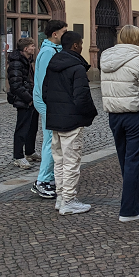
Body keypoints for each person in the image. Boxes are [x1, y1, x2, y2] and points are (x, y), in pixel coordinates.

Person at [101, 24, 139, 222]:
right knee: (135, 160)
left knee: (126, 159)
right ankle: (129, 210)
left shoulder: (106, 58)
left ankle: (137, 199)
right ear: (134, 39)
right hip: (136, 114)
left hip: (115, 115)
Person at [42, 31, 98, 215]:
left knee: (59, 161)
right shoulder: (77, 67)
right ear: (75, 45)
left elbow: (45, 92)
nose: (82, 47)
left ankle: (61, 197)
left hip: (55, 118)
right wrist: (89, 114)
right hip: (72, 120)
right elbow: (82, 97)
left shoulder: (53, 63)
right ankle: (69, 200)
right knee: (71, 161)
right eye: (81, 44)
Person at [31, 19, 68, 199]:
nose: (66, 35)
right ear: (55, 34)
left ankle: (49, 177)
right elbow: (45, 81)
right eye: (64, 32)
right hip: (46, 102)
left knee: (52, 140)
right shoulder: (48, 52)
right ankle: (43, 180)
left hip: (50, 101)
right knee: (50, 142)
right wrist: (50, 103)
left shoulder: (54, 50)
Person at [7, 37, 40, 169]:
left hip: (31, 99)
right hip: (24, 100)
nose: (34, 48)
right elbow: (16, 85)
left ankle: (30, 152)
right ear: (26, 49)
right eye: (32, 46)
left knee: (32, 127)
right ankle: (18, 156)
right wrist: (29, 99)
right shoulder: (17, 63)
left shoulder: (27, 61)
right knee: (22, 128)